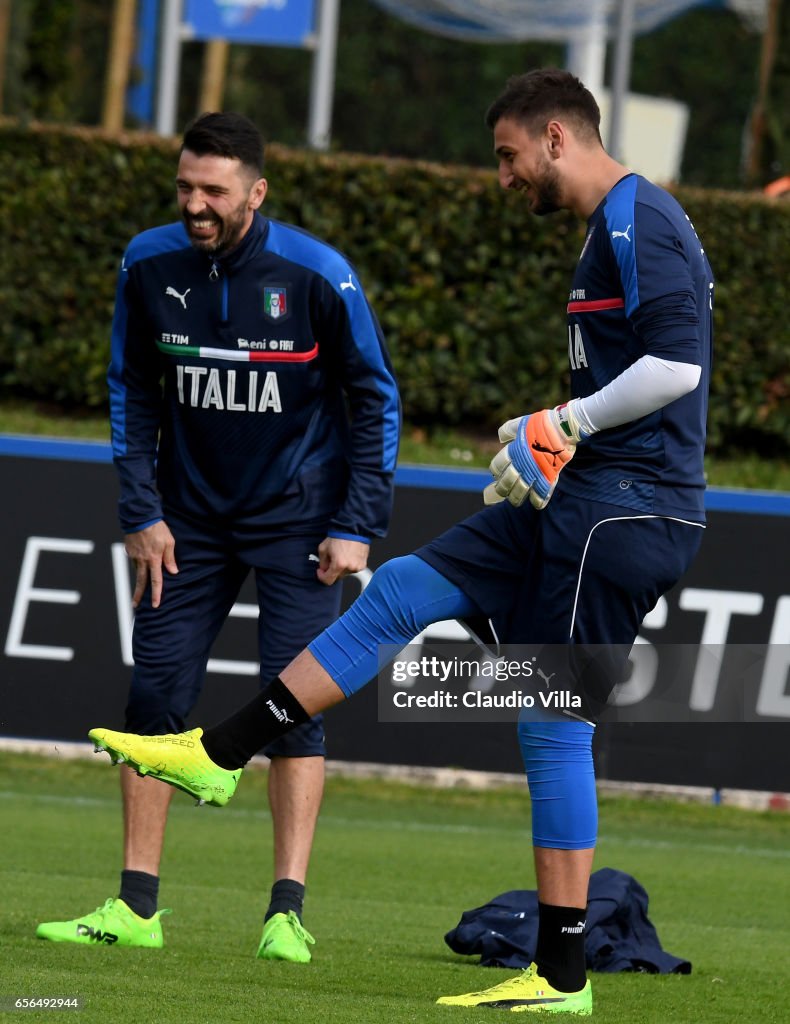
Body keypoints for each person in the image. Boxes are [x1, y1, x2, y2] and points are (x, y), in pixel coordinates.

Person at [88, 68, 712, 1015]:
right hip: (584, 497)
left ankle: (563, 976)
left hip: (628, 512)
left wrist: (565, 423)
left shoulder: (641, 216)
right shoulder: (612, 226)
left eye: (507, 157)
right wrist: (555, 444)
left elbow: (676, 366)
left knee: (552, 724)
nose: (501, 177)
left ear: (555, 136)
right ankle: (218, 755)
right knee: (401, 591)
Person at [37, 112, 401, 962]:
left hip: (301, 522)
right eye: (186, 187)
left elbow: (374, 396)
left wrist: (357, 523)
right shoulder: (147, 260)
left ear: (256, 192)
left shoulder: (319, 274)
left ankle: (286, 913)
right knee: (152, 702)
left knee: (294, 705)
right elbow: (128, 386)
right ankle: (134, 908)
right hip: (186, 521)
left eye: (215, 191)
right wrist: (140, 509)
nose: (197, 204)